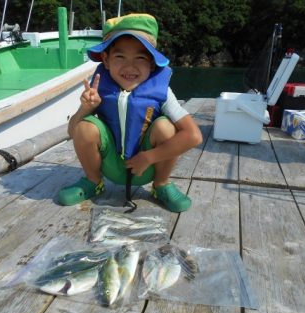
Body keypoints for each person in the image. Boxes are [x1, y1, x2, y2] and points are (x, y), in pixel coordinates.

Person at [58, 13, 202, 212]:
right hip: (111, 165)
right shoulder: (98, 90)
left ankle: (161, 185)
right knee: (85, 126)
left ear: (152, 63)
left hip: (147, 165)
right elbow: (73, 132)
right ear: (106, 61)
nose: (130, 66)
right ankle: (93, 181)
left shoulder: (163, 93)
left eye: (140, 58)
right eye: (120, 57)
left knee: (165, 127)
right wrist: (86, 108)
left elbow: (193, 136)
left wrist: (149, 157)